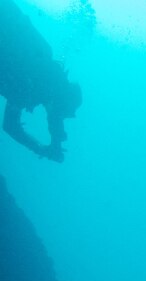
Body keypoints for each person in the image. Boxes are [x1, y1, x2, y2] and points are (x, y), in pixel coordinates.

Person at [0, 0, 82, 162]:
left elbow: (53, 115)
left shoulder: (44, 73)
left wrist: (54, 144)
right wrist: (42, 148)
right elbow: (10, 125)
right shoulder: (31, 86)